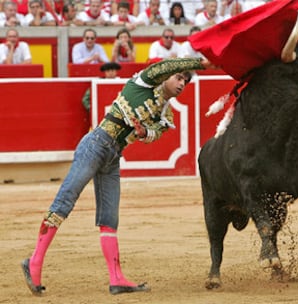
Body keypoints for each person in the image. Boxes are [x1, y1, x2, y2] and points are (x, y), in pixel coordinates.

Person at [20, 57, 215, 296]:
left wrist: (144, 133)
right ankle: (34, 262)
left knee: (109, 217)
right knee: (65, 202)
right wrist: (199, 62)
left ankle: (116, 278)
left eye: (186, 80)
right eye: (179, 77)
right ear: (166, 77)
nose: (182, 82)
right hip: (96, 144)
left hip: (113, 157)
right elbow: (165, 66)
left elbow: (155, 134)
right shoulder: (143, 83)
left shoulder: (167, 116)